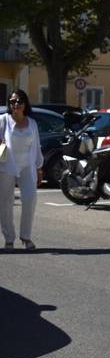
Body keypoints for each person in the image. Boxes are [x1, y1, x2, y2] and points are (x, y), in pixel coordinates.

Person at [1, 89, 43, 251]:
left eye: (18, 101)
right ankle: (9, 239)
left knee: (30, 199)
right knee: (5, 203)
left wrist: (39, 167)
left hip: (27, 167)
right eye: (12, 102)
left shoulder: (32, 123)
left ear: (25, 104)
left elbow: (37, 147)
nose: (15, 104)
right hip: (6, 167)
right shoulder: (3, 120)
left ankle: (25, 236)